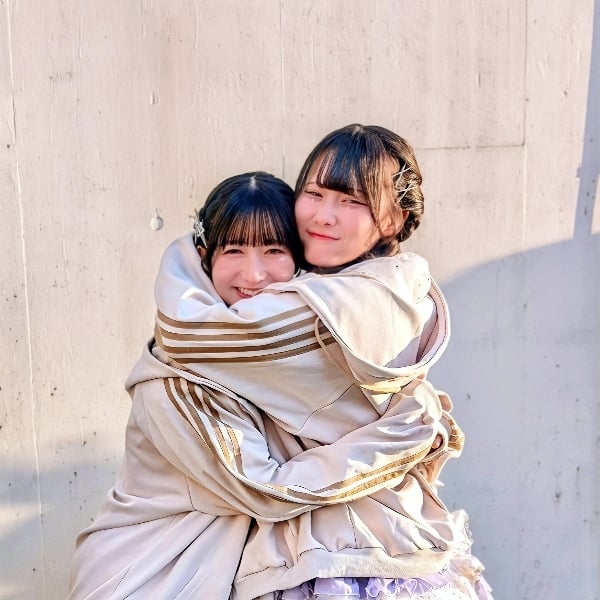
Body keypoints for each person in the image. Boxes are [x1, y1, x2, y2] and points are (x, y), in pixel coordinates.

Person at [68, 169, 458, 600]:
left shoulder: (275, 357)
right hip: (151, 573)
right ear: (204, 255)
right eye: (233, 250)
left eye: (274, 250)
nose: (254, 274)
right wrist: (402, 438)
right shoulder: (175, 380)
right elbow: (266, 490)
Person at [147, 125, 493, 600]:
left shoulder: (345, 305)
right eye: (313, 193)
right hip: (340, 540)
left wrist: (187, 255)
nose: (324, 216)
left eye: (352, 202)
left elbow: (189, 332)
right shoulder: (367, 282)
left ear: (393, 220)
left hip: (354, 555)